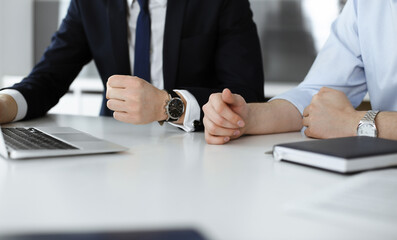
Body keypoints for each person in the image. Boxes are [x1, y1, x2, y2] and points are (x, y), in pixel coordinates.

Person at [0, 0, 264, 132]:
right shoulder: (88, 3)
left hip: (198, 148)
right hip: (113, 148)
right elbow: (49, 77)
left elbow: (247, 95)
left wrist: (169, 104)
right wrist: (6, 104)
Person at [203, 0, 397, 144]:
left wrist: (355, 123)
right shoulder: (366, 5)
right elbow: (316, 96)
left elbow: (340, 121)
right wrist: (246, 118)